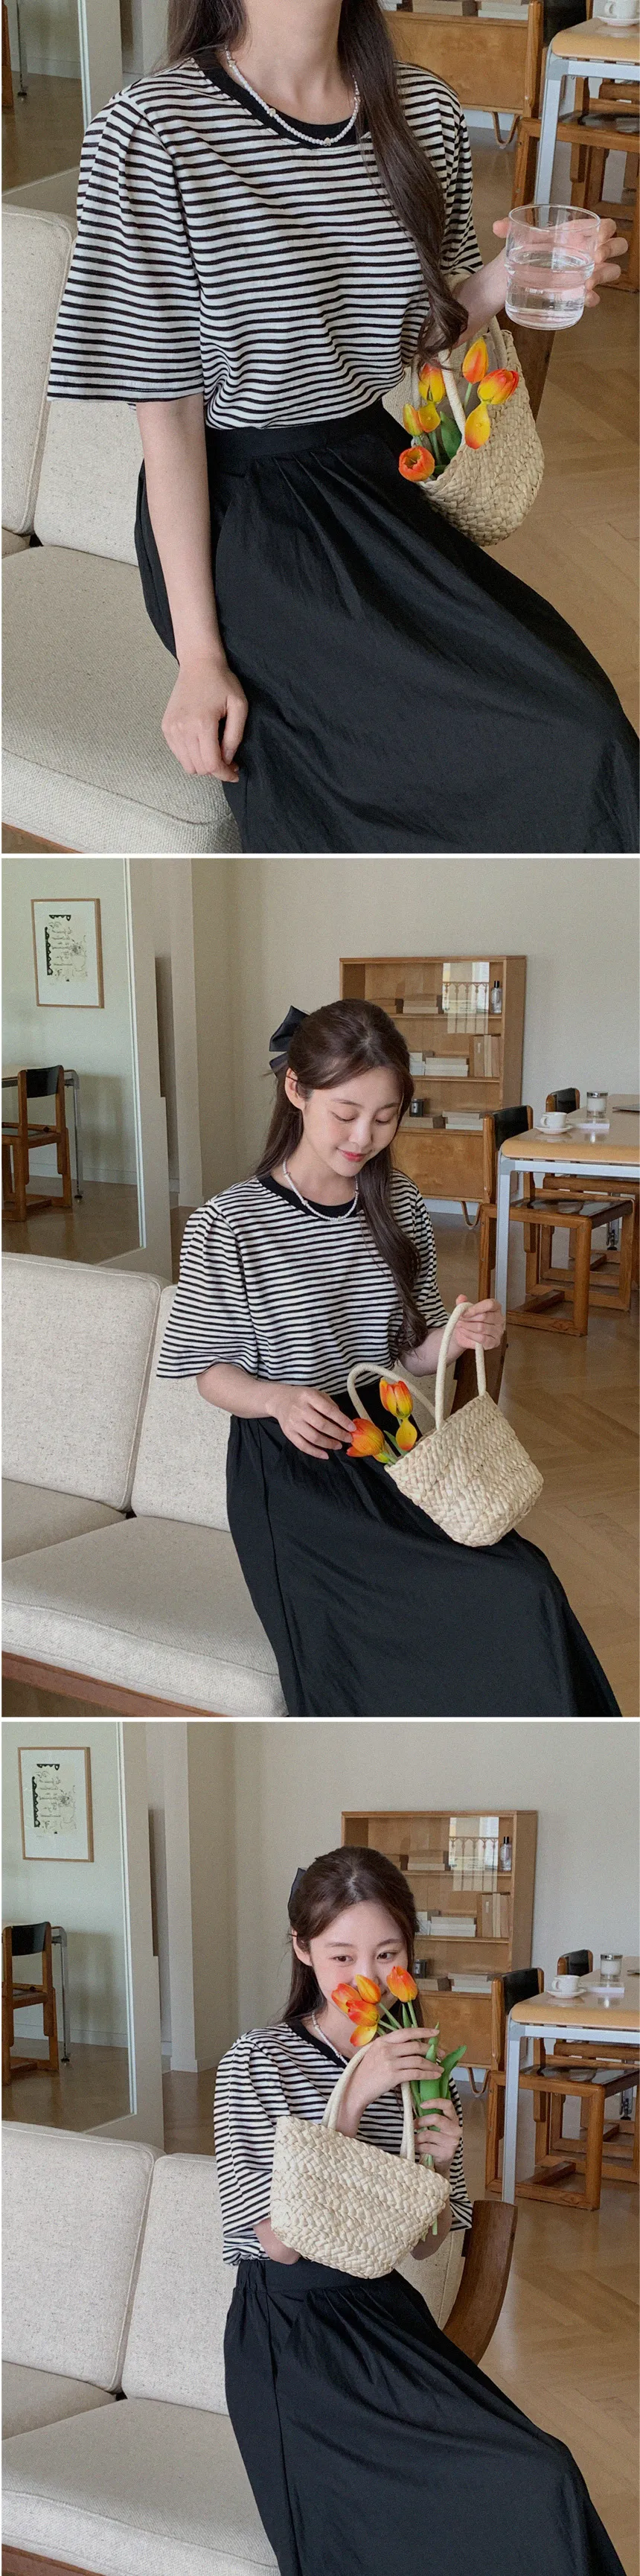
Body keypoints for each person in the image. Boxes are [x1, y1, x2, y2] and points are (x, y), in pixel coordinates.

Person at [47, 0, 638, 855]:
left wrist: (506, 279)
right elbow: (168, 418)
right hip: (238, 512)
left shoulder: (424, 109)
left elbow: (422, 336)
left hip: (369, 468)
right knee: (368, 775)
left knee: (581, 729)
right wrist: (200, 659)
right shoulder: (153, 129)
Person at [157, 996, 619, 1715]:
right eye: (345, 1113)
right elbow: (207, 1371)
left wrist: (457, 1339)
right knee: (443, 1614)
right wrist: (276, 1398)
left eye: (385, 1116)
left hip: (394, 1441)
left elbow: (411, 1350)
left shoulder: (399, 1203)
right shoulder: (231, 1222)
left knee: (525, 1582)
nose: (363, 1137)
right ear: (296, 1090)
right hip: (294, 1470)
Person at [214, 1846, 626, 2576]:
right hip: (290, 2338)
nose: (366, 1979)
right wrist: (348, 2103)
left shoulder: (422, 2068)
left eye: (386, 1954)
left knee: (544, 2471)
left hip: (382, 2314)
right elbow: (278, 2242)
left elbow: (430, 2243)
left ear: (409, 1952)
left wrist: (436, 2163)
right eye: (341, 1956)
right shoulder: (259, 2060)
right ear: (302, 1949)